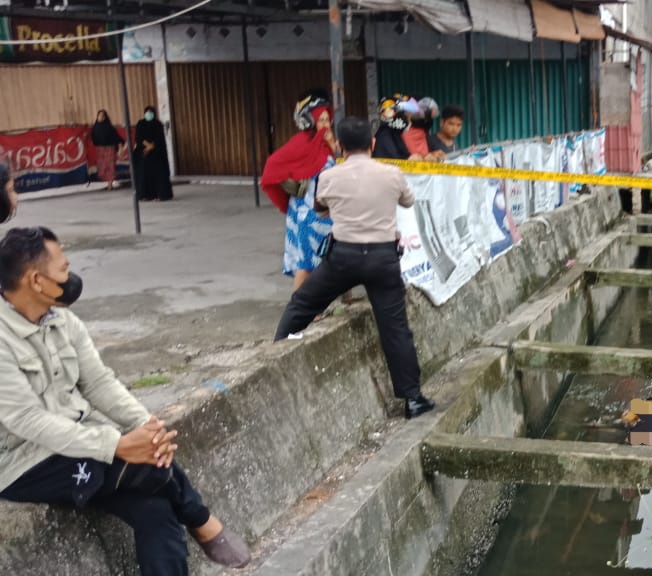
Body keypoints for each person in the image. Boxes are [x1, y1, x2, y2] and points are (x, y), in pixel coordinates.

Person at [0, 227, 250, 575]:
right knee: (147, 466)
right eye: (63, 270)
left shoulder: (61, 319)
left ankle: (193, 523)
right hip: (24, 461)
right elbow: (27, 419)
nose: (70, 278)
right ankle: (202, 520)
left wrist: (148, 429)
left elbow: (99, 382)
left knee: (156, 509)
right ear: (36, 281)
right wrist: (116, 445)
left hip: (75, 441)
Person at [274, 117, 435, 420]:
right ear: (372, 144)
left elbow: (321, 207)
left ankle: (273, 357)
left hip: (343, 259)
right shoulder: (392, 173)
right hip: (383, 259)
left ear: (342, 146)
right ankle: (413, 400)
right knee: (395, 329)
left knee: (303, 304)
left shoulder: (329, 176)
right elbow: (408, 201)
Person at [260, 92, 338, 292]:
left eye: (327, 119)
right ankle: (298, 308)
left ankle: (338, 302)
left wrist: (330, 144)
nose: (325, 125)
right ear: (309, 121)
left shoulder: (327, 144)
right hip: (307, 214)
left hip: (327, 213)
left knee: (332, 260)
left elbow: (340, 165)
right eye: (320, 120)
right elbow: (272, 165)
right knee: (307, 264)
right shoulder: (300, 143)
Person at [133, 106, 174, 202]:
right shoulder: (140, 124)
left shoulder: (158, 124)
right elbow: (139, 137)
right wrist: (147, 146)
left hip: (157, 153)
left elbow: (160, 138)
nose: (149, 114)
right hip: (143, 153)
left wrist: (152, 146)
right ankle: (145, 195)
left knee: (159, 174)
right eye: (147, 112)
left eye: (151, 113)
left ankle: (160, 195)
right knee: (144, 174)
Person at [372, 94, 422, 161]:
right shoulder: (385, 135)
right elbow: (395, 161)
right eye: (406, 115)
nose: (410, 121)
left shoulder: (395, 133)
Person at [91, 110, 124, 191]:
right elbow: (93, 139)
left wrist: (120, 148)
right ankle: (108, 184)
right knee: (103, 168)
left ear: (105, 117)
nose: (100, 117)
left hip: (109, 149)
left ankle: (110, 185)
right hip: (100, 150)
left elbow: (117, 138)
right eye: (99, 115)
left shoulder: (109, 127)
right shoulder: (95, 127)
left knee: (110, 167)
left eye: (102, 116)